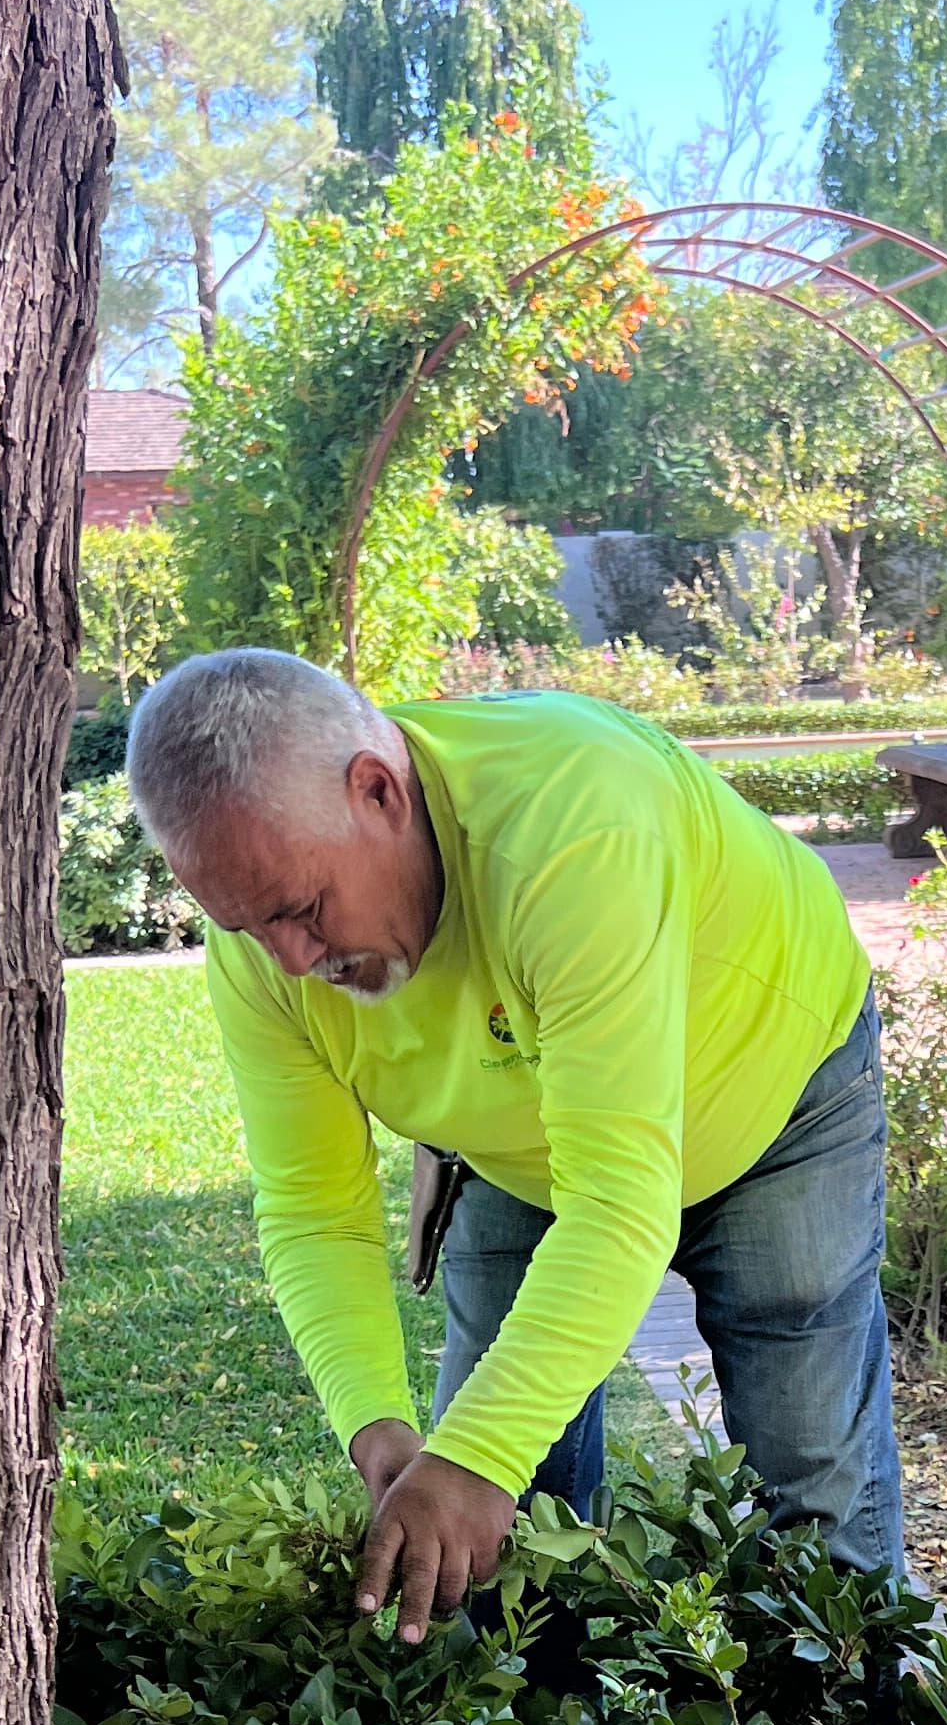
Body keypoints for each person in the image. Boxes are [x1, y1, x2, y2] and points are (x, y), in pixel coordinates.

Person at [124, 648, 902, 1639]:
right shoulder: (267, 951)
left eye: (302, 910)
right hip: (525, 1139)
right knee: (478, 1523)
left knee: (811, 1487)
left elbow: (619, 1198)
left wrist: (476, 1458)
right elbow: (315, 1210)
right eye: (247, 928)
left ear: (378, 791)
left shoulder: (573, 824)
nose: (292, 961)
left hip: (774, 1086)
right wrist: (382, 1434)